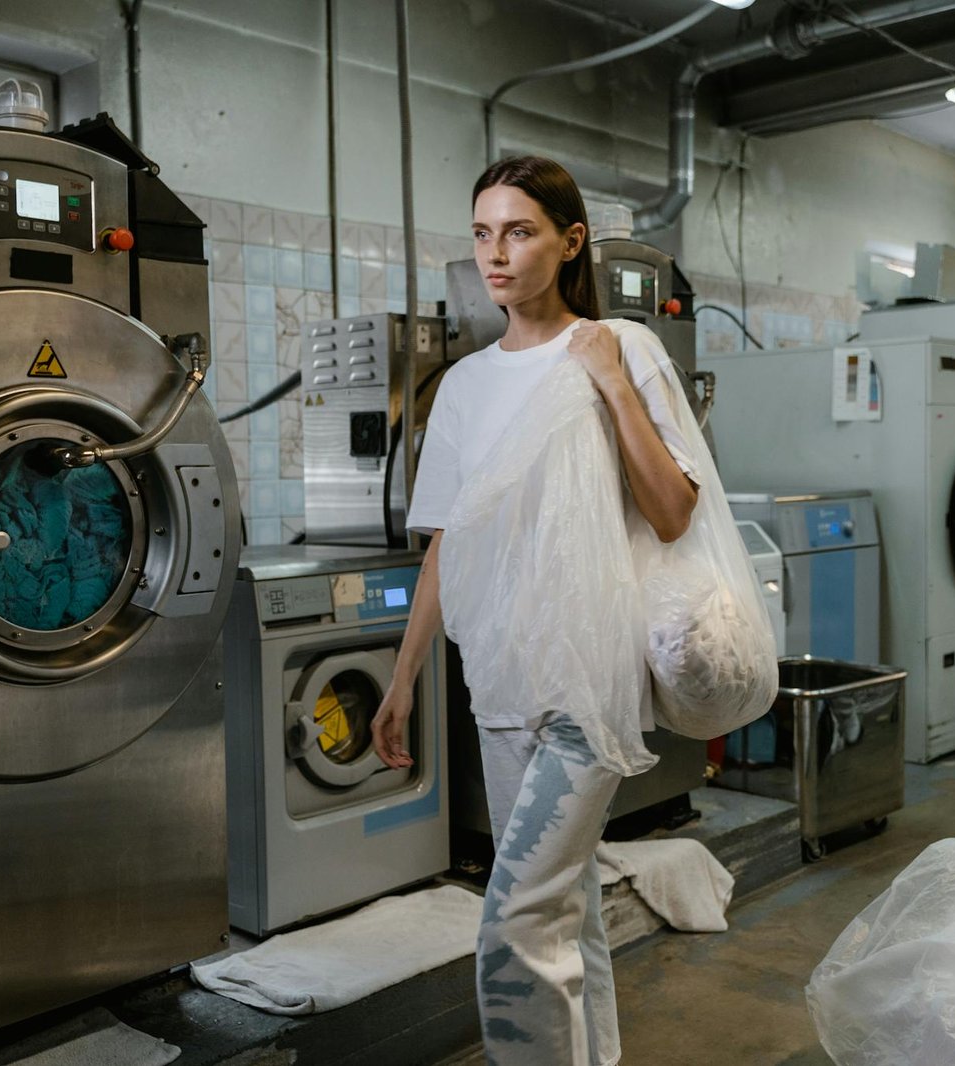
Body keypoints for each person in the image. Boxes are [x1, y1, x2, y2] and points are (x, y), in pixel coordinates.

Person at [370, 155, 702, 1066]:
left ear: (570, 241)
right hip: (500, 684)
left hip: (587, 686)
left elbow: (675, 509)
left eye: (519, 231)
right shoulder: (468, 387)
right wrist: (402, 682)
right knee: (567, 911)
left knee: (516, 918)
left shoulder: (621, 348)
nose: (497, 254)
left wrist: (612, 380)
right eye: (483, 233)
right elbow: (448, 543)